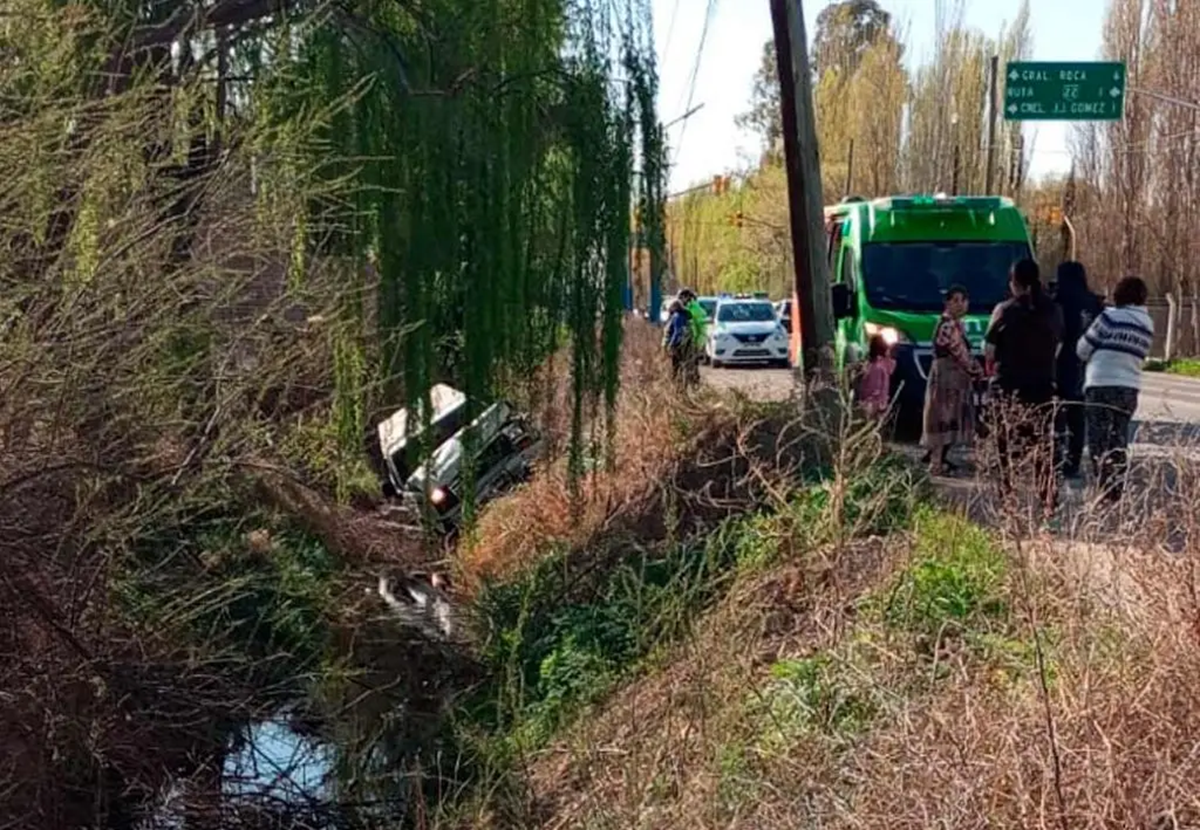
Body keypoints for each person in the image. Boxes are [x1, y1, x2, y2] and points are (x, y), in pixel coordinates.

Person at [984, 259, 1064, 514]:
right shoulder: (1054, 311)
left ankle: (1008, 498)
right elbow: (1058, 348)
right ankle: (1048, 499)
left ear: (1013, 282)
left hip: (1008, 388)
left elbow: (989, 350)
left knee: (1005, 445)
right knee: (1043, 445)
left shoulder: (1004, 311)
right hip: (1042, 386)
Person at [1076, 275, 1153, 502]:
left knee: (1098, 440)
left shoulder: (1109, 318)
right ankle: (1117, 489)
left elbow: (1082, 349)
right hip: (1129, 388)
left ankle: (1103, 489)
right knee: (1118, 439)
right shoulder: (1147, 324)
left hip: (1100, 383)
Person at [921, 285, 982, 475]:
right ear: (947, 302)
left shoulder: (955, 324)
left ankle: (938, 460)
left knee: (947, 418)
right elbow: (959, 352)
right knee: (942, 418)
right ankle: (936, 463)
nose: (960, 305)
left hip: (952, 378)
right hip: (946, 378)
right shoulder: (948, 325)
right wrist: (976, 370)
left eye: (963, 300)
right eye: (955, 300)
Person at [1052, 261, 1104, 478]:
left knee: (1056, 413)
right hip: (1088, 364)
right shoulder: (1094, 303)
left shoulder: (1058, 301)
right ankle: (1073, 462)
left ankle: (1055, 458)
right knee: (1078, 414)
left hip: (1060, 361)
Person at [858, 334, 895, 421]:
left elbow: (873, 390)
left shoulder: (876, 367)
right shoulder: (885, 365)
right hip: (882, 405)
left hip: (872, 408)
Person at [679, 288, 707, 383]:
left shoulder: (696, 310)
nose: (680, 300)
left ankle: (694, 386)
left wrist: (698, 344)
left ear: (688, 298)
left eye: (682, 297)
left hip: (692, 342)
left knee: (691, 367)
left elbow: (702, 330)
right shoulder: (684, 309)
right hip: (684, 341)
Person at [662, 298, 692, 383]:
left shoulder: (677, 316)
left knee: (675, 365)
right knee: (683, 365)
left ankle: (676, 383)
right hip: (686, 343)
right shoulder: (685, 315)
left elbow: (677, 331)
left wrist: (671, 344)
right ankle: (683, 383)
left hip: (678, 344)